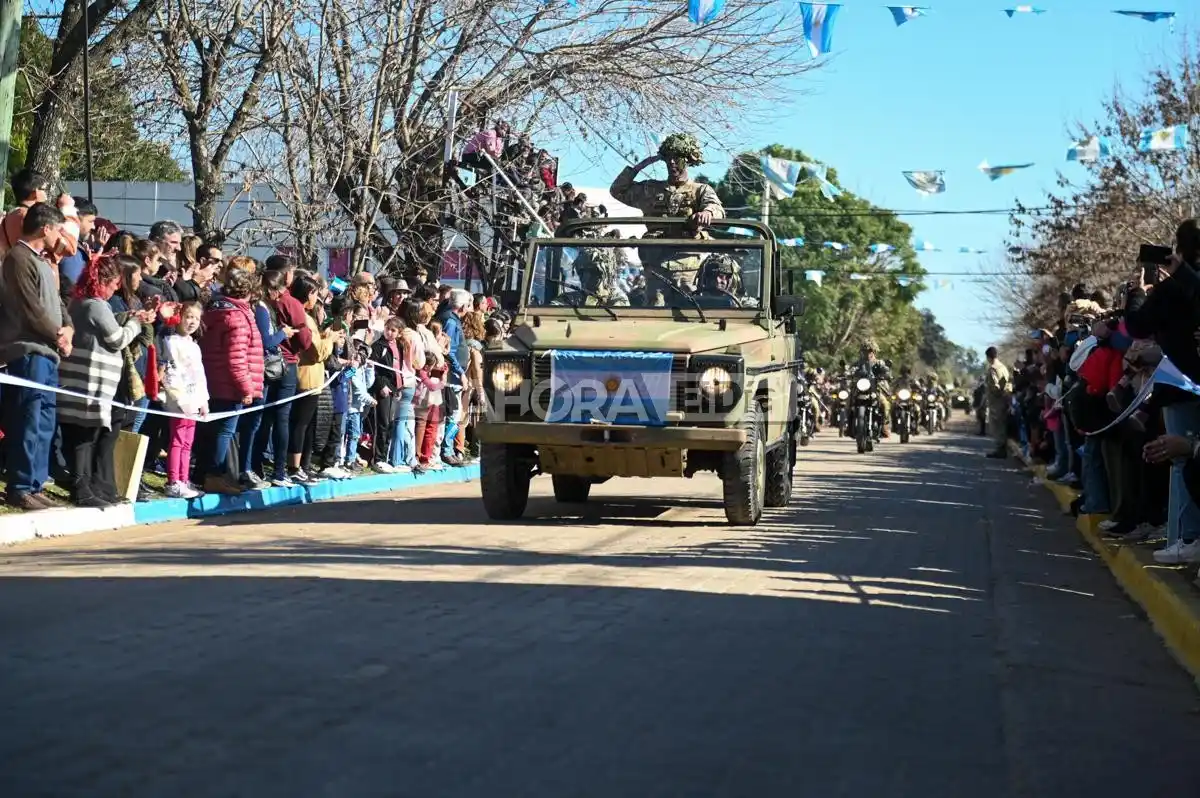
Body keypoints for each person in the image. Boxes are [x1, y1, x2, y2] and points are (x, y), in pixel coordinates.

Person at [57, 253, 155, 507]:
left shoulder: (81, 303)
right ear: (101, 280)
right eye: (113, 284)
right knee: (84, 437)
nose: (115, 289)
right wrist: (135, 322)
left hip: (85, 381)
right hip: (88, 382)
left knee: (87, 436)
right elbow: (117, 339)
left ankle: (89, 486)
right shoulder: (95, 305)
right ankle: (81, 488)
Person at [0, 202, 71, 509]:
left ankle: (35, 482)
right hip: (28, 351)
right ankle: (19, 484)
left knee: (45, 420)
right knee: (27, 418)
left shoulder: (44, 262)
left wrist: (68, 328)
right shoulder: (17, 257)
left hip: (48, 352)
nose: (61, 236)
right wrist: (57, 334)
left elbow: (56, 304)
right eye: (58, 229)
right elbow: (30, 308)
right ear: (46, 228)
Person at [610, 133, 725, 305]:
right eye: (668, 158)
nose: (671, 162)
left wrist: (707, 213)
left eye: (677, 158)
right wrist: (637, 168)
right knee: (655, 310)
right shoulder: (651, 189)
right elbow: (618, 190)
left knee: (688, 309)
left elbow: (717, 209)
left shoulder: (700, 190)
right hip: (656, 265)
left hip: (687, 265)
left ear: (687, 160)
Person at [161, 303, 209, 499]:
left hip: (194, 402)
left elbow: (200, 376)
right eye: (188, 317)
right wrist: (181, 400)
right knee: (178, 440)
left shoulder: (195, 347)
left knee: (188, 442)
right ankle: (173, 481)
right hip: (180, 402)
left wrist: (203, 401)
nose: (192, 322)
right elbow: (170, 373)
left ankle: (184, 478)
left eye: (196, 319)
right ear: (179, 316)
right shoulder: (171, 342)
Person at [549, 248, 627, 307]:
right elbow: (552, 310)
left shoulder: (619, 300)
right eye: (582, 272)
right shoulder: (572, 298)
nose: (586, 278)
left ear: (607, 276)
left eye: (594, 272)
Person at [985, 346, 1012, 459]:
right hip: (1005, 398)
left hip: (996, 400)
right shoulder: (1003, 367)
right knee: (1002, 424)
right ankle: (1002, 449)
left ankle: (1000, 450)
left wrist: (994, 393)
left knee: (997, 426)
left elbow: (995, 386)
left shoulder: (992, 369)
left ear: (988, 357)